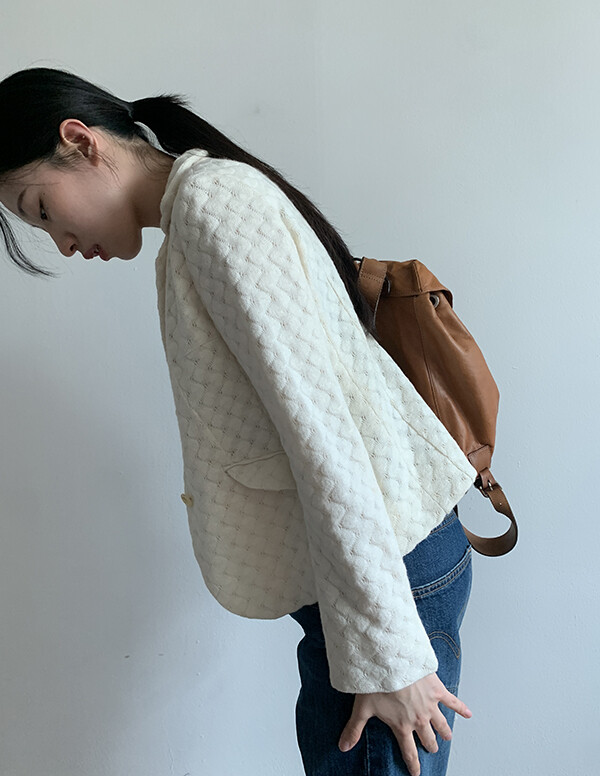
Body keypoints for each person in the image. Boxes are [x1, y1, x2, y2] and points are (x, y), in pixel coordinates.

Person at [0, 66, 477, 776]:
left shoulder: (213, 207)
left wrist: (389, 657)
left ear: (81, 142)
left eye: (41, 209)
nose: (61, 242)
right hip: (370, 576)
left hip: (384, 583)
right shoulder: (198, 213)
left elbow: (322, 433)